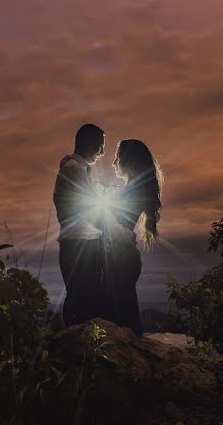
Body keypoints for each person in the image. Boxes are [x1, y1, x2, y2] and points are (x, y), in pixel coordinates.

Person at [102, 139, 163, 336]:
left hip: (122, 258)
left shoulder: (134, 190)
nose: (113, 163)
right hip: (122, 256)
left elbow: (116, 223)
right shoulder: (133, 189)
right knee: (123, 315)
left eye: (117, 158)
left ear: (127, 161)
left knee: (122, 320)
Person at [53, 123, 106, 326]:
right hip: (80, 244)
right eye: (101, 145)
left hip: (80, 241)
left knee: (82, 299)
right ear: (89, 144)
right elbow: (91, 209)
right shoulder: (74, 170)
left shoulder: (78, 169)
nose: (102, 152)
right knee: (83, 303)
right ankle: (78, 349)